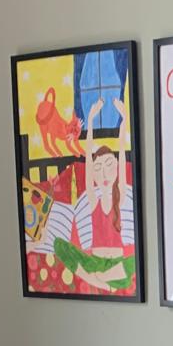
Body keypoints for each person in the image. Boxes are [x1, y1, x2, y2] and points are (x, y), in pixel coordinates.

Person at [52, 94, 136, 292]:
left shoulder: (121, 196)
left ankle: (100, 279)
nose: (104, 173)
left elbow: (122, 152)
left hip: (117, 265)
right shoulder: (92, 198)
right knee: (59, 245)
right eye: (98, 168)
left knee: (135, 261)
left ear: (116, 168)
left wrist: (124, 120)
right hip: (94, 262)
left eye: (109, 166)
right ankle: (100, 280)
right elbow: (88, 158)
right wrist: (89, 121)